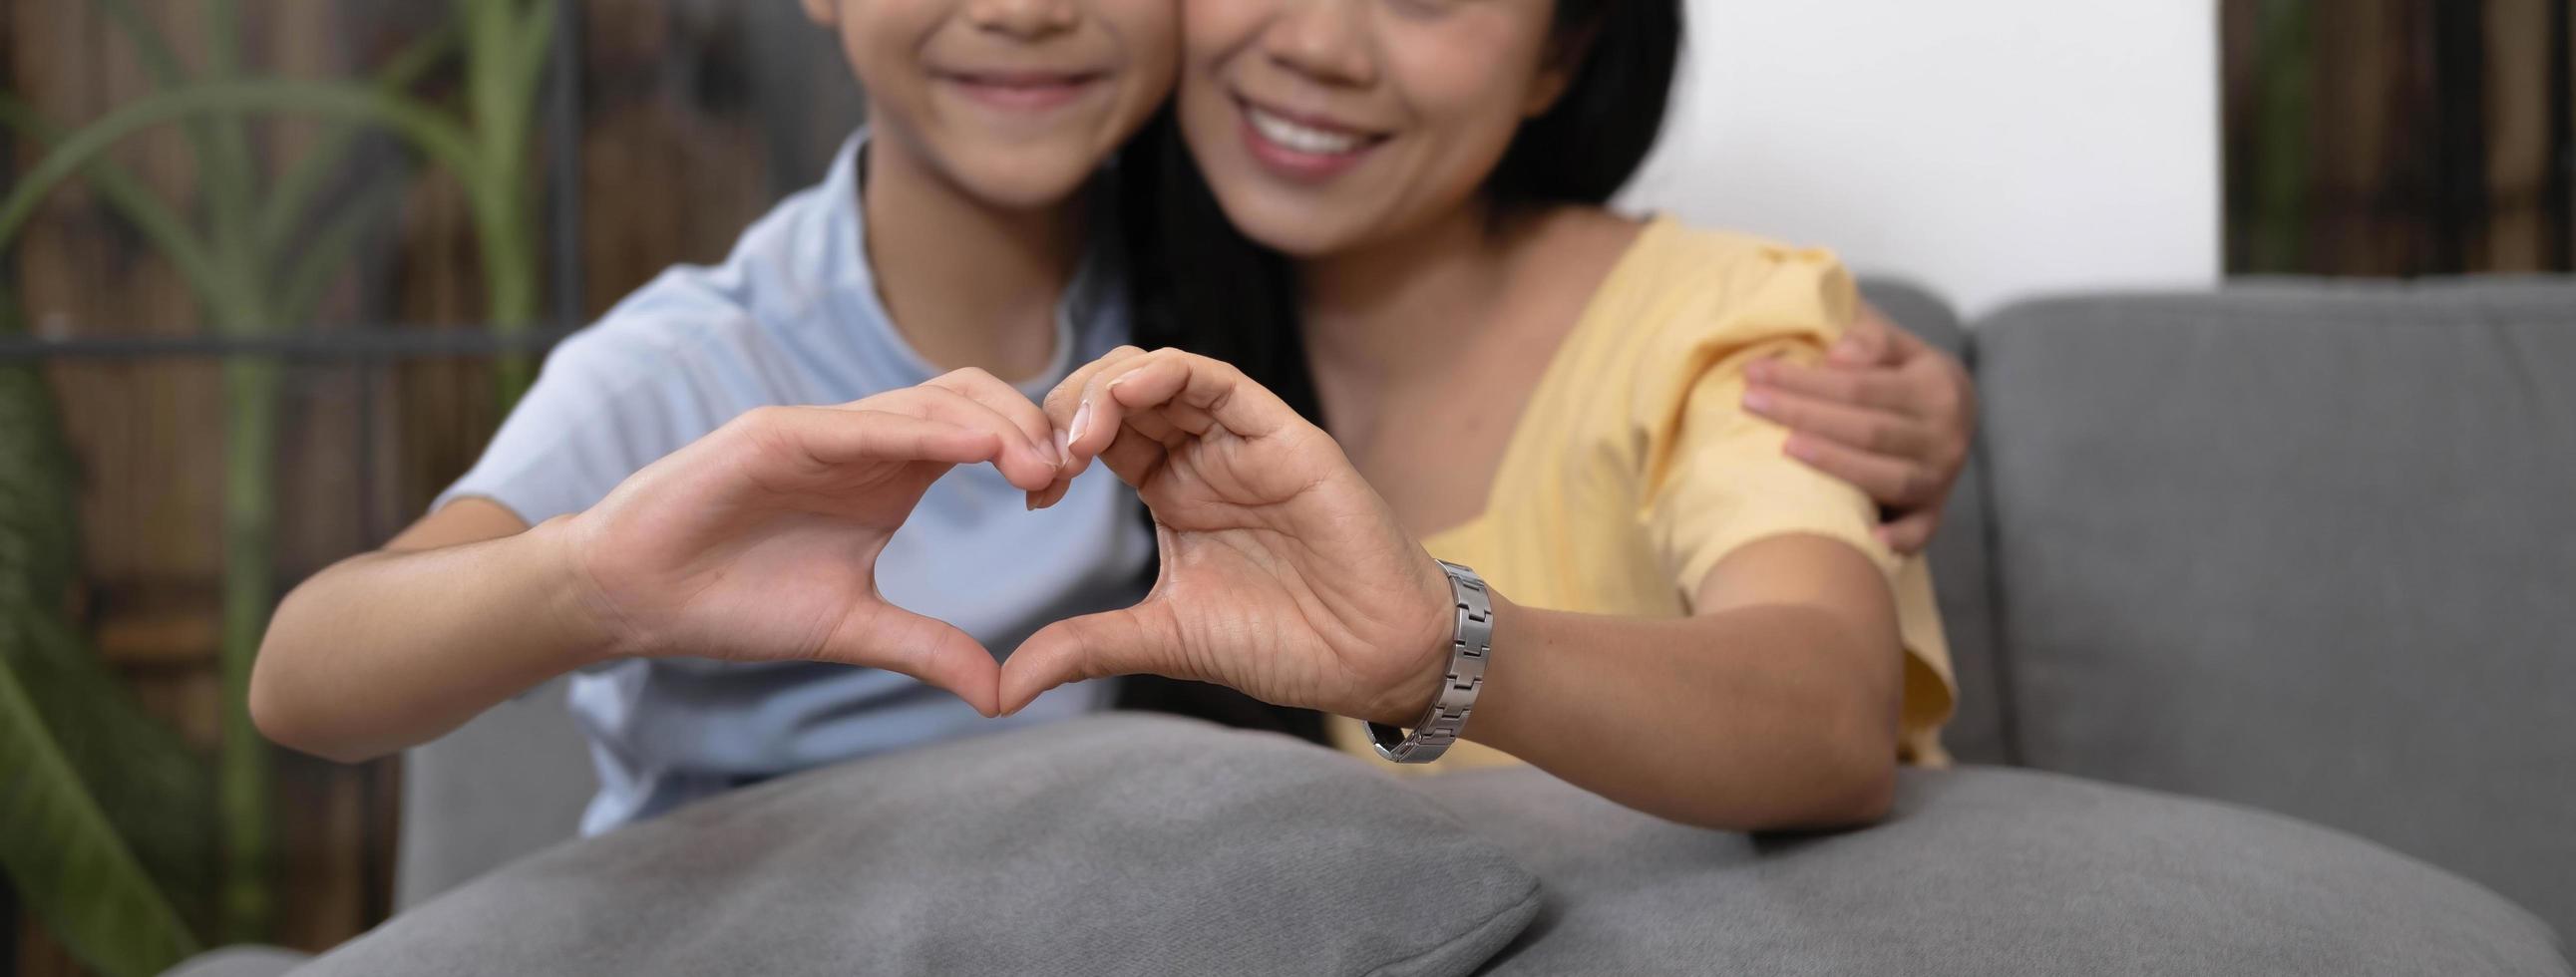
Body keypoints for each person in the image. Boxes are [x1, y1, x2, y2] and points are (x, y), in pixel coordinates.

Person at [252, 0, 1969, 835]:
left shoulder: (1184, 299)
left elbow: (1809, 700)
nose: (1027, 4)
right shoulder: (713, 357)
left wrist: (1912, 392)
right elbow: (311, 667)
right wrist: (585, 580)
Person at [1003, 0, 1952, 830]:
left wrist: (1440, 649)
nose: (1319, 42)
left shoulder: (1714, 321)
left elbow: (1830, 715)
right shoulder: (1108, 310)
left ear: (1558, 59)